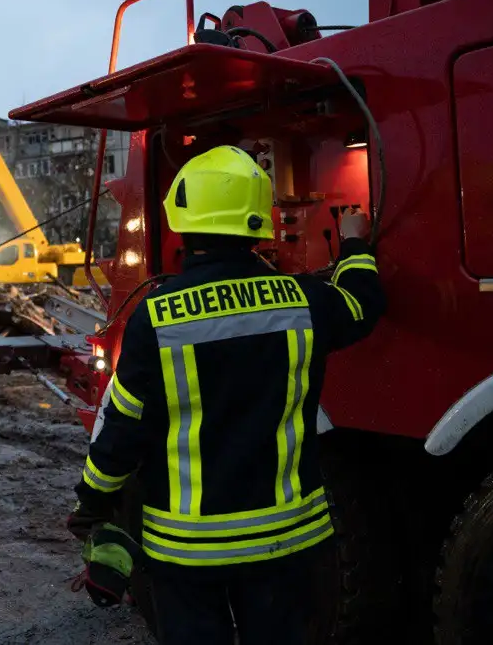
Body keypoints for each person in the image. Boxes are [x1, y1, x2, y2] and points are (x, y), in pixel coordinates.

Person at [67, 144, 386, 644]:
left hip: (188, 555)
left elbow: (123, 426)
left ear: (184, 224)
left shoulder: (158, 317)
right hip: (288, 543)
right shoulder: (303, 300)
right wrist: (354, 245)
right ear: (258, 224)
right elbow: (363, 304)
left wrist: (91, 499)